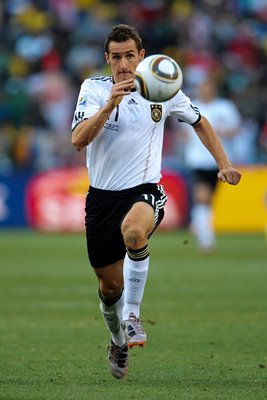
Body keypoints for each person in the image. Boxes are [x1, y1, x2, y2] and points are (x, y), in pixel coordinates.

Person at [71, 24, 241, 379]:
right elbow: (77, 140)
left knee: (134, 232)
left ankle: (133, 316)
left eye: (129, 55)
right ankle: (118, 339)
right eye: (115, 57)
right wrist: (109, 106)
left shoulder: (160, 88)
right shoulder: (94, 89)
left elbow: (199, 121)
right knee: (108, 288)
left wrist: (224, 164)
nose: (123, 63)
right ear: (107, 59)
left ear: (141, 56)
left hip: (144, 191)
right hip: (101, 199)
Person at [179, 78, 243, 253]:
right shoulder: (192, 106)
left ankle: (198, 221)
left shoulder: (225, 107)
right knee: (202, 196)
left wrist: (223, 132)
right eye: (202, 88)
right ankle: (206, 240)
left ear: (213, 89)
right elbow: (183, 133)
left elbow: (236, 129)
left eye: (208, 87)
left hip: (219, 162)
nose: (205, 91)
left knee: (208, 200)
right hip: (197, 160)